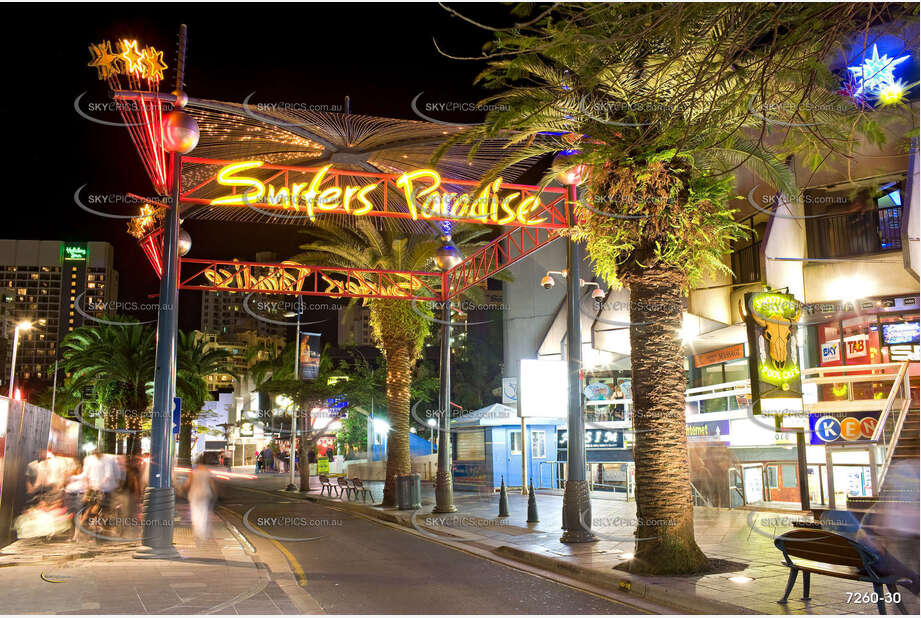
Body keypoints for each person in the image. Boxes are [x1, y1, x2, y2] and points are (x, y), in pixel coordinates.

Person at [183, 464, 216, 541]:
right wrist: (214, 492)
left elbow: (187, 483)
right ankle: (202, 533)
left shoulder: (193, 472)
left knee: (195, 513)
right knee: (203, 513)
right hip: (204, 494)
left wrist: (182, 489)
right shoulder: (207, 472)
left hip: (195, 494)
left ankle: (198, 532)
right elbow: (212, 484)